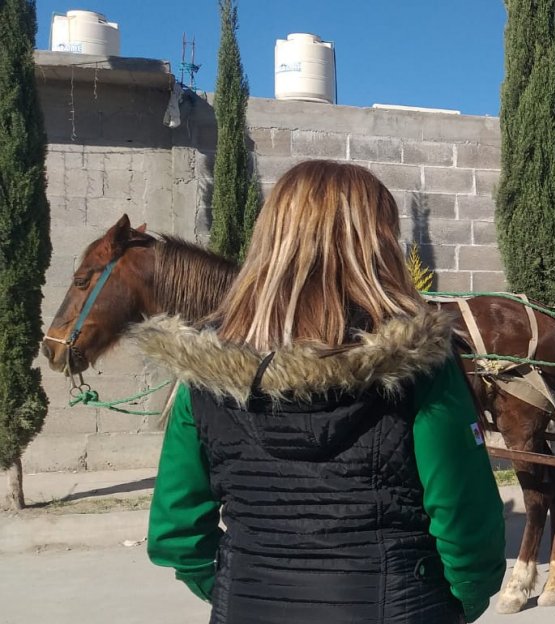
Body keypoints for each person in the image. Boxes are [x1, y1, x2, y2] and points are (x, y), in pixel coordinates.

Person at [137, 160, 506, 623]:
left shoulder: (203, 372)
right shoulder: (423, 362)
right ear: (379, 244)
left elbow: (175, 533)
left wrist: (237, 592)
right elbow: (465, 519)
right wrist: (461, 602)